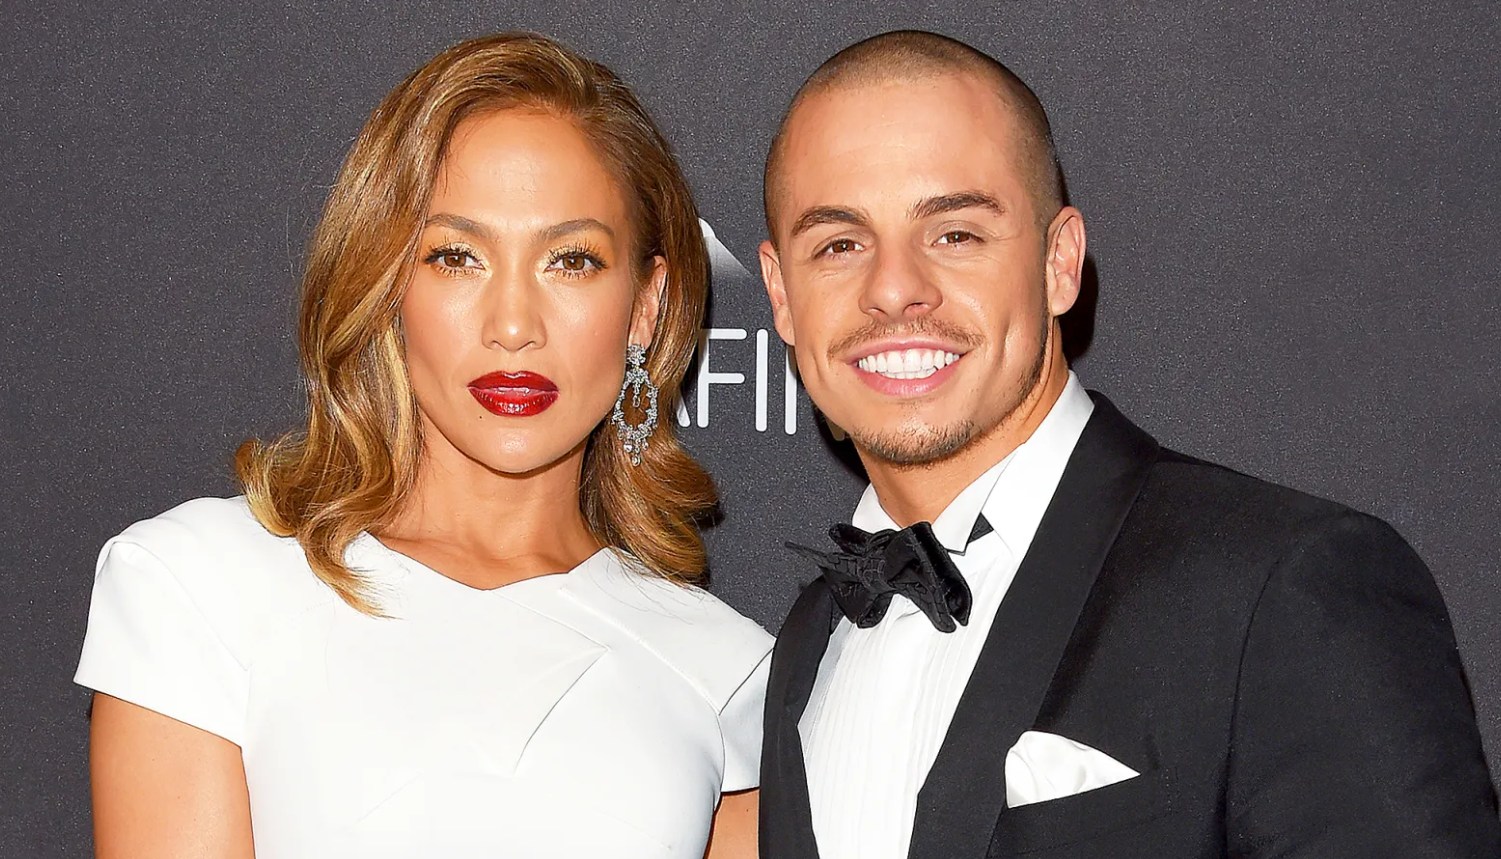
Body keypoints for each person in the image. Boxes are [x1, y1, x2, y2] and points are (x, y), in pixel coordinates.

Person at [755, 29, 1501, 859]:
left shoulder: (1280, 588)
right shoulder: (807, 643)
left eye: (954, 233)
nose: (894, 289)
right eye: (839, 245)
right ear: (781, 295)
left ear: (1058, 262)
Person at [76, 32, 769, 859]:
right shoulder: (201, 586)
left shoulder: (729, 672)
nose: (513, 324)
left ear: (645, 305)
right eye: (457, 256)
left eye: (570, 260)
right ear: (387, 284)